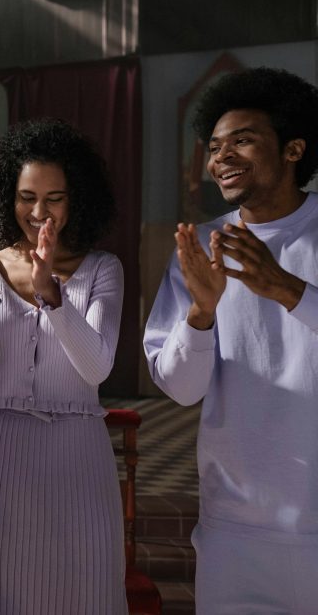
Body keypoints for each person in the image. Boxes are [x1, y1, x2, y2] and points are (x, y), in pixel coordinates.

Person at [144, 67, 318, 612]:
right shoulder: (199, 248)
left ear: (293, 148)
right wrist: (200, 312)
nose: (221, 157)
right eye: (215, 147)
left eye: (242, 140)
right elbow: (180, 388)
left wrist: (288, 289)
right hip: (234, 524)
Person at [0, 118, 124, 614]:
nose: (39, 212)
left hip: (76, 455)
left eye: (55, 198)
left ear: (77, 199)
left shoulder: (101, 269)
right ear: (8, 195)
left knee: (84, 588)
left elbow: (95, 368)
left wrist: (53, 293)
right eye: (27, 196)